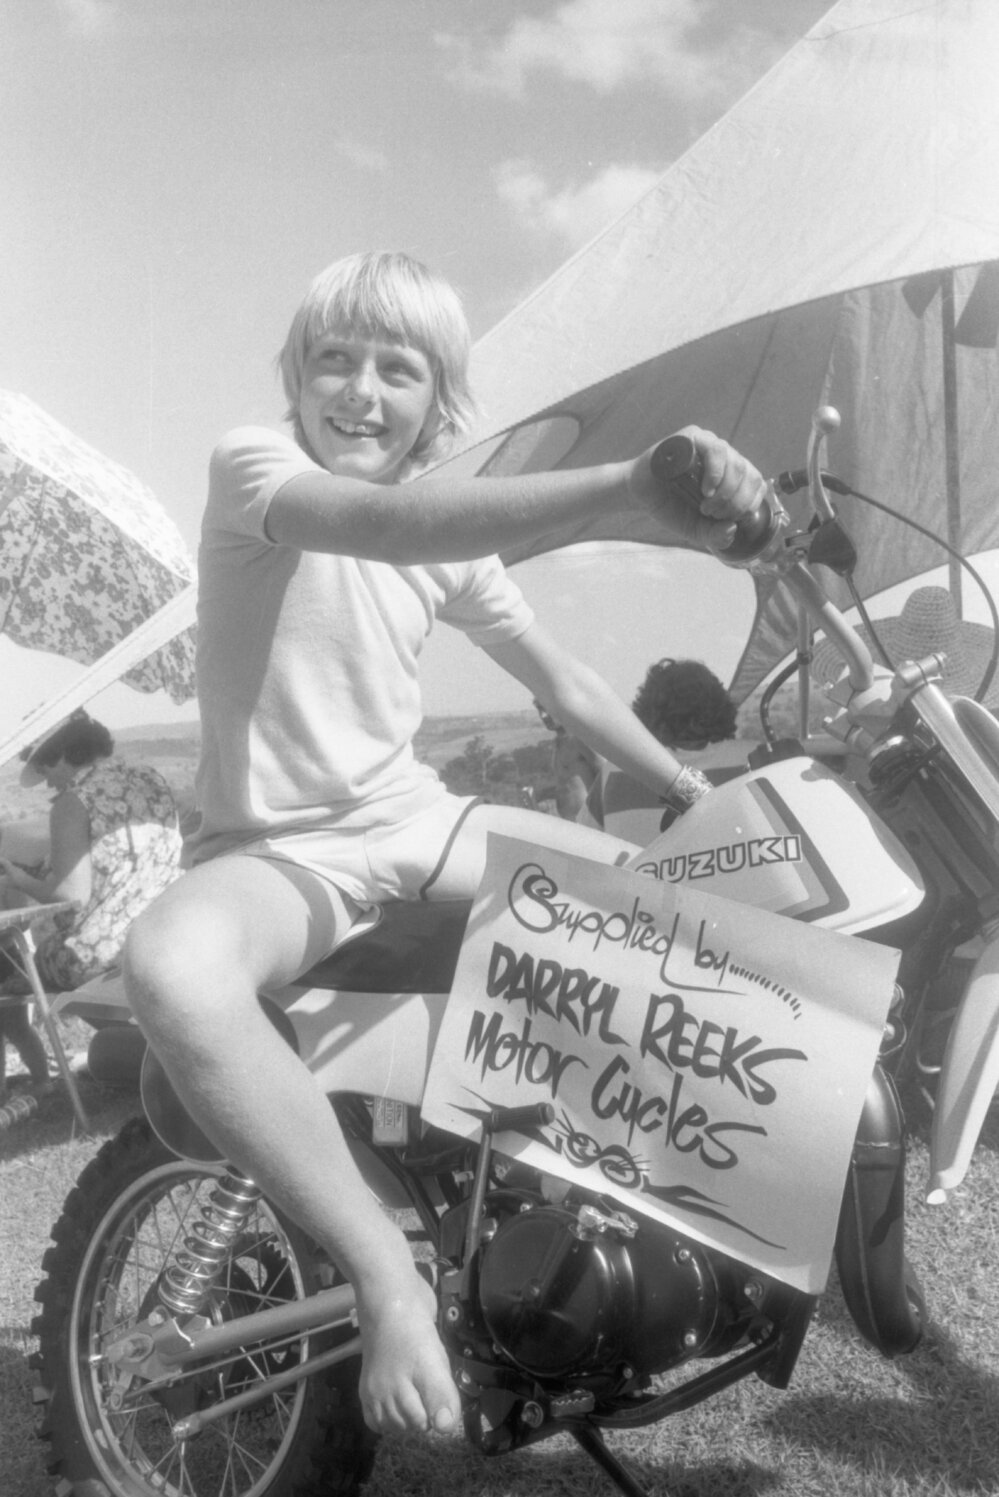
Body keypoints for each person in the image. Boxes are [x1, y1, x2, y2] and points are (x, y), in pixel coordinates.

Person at [122, 251, 765, 1441]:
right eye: (334, 360)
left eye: (396, 369)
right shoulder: (254, 469)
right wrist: (628, 483)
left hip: (413, 821)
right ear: (295, 378)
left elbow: (565, 682)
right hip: (280, 847)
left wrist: (687, 789)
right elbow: (384, 524)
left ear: (440, 402)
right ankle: (385, 1274)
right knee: (168, 965)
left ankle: (615, 1237)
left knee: (673, 905)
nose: (359, 391)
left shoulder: (451, 544)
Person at [0, 711, 183, 992]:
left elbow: (71, 897)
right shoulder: (152, 778)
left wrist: (17, 879)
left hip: (99, 954)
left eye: (45, 771)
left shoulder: (73, 803)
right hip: (165, 932)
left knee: (7, 987)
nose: (48, 783)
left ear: (60, 754)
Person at [589, 658, 750, 840]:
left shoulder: (616, 769)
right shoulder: (755, 760)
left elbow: (586, 845)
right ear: (721, 707)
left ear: (647, 711)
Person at [532, 698, 600, 820]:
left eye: (546, 709)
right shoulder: (558, 743)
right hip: (570, 823)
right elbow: (570, 784)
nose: (543, 716)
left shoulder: (582, 738)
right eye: (539, 709)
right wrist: (542, 795)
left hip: (591, 822)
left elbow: (606, 776)